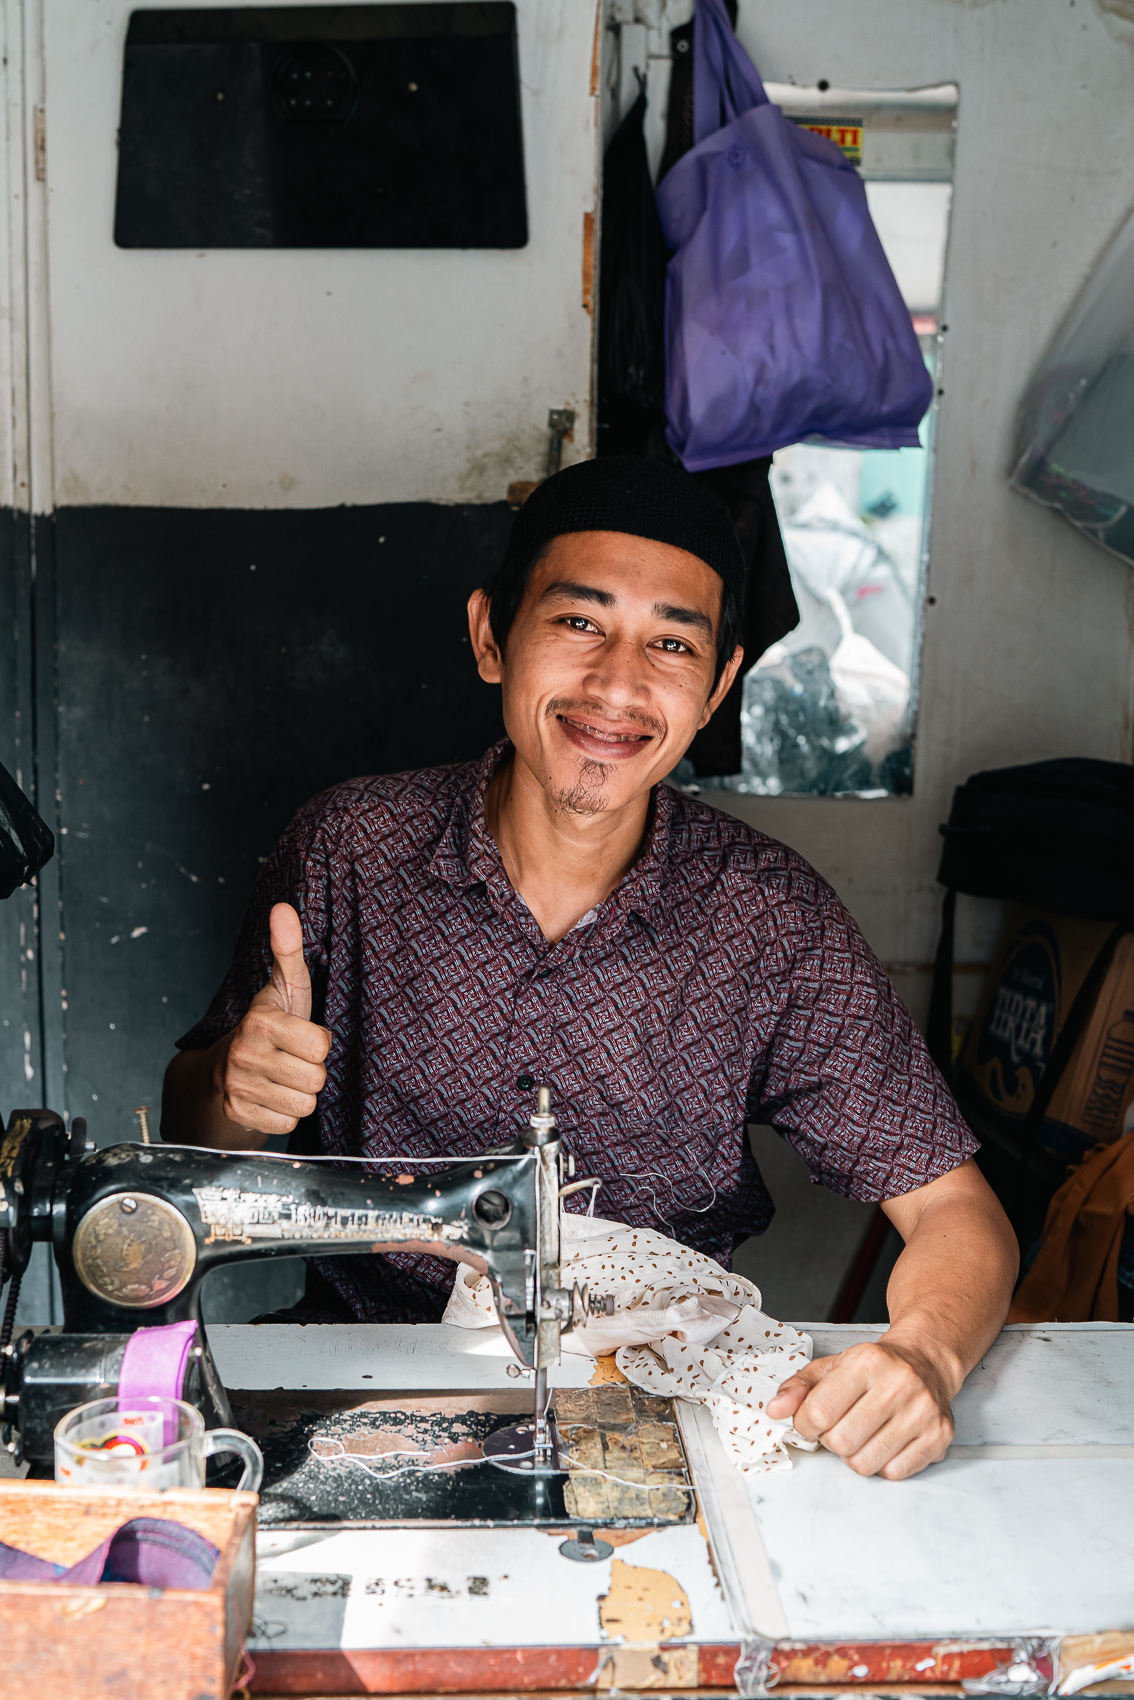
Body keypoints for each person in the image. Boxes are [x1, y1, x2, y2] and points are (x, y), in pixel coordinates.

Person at [162, 455, 1018, 1481]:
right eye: (579, 623)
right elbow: (190, 1133)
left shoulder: (771, 920)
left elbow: (957, 1212)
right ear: (491, 636)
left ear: (718, 688)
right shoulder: (348, 851)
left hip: (656, 1393)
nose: (619, 682)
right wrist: (233, 1086)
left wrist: (922, 1351)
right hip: (360, 1373)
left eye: (671, 642)